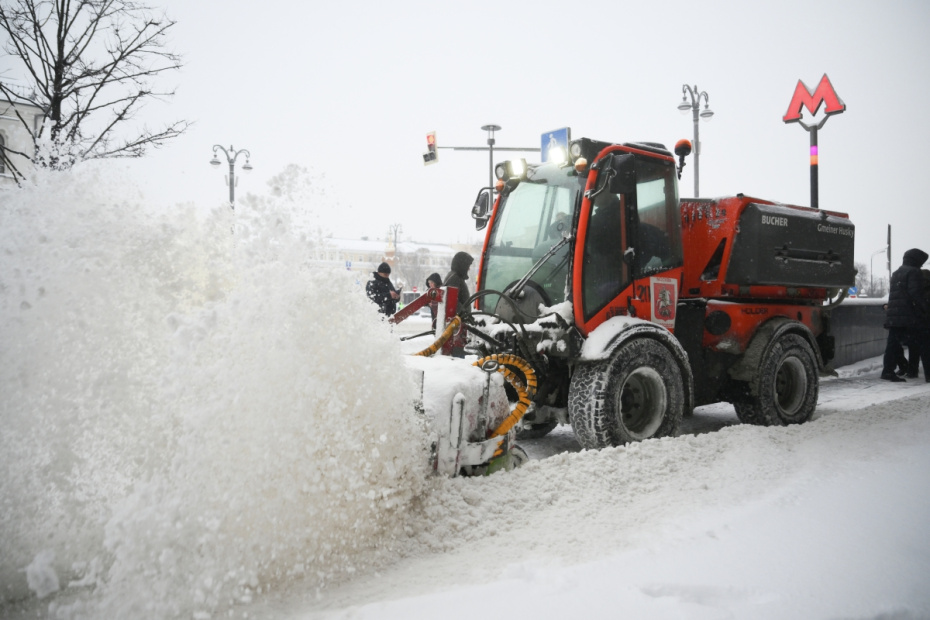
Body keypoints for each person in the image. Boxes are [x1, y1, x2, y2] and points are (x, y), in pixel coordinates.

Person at [881, 248, 929, 382]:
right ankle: (913, 370)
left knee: (893, 345)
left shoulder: (897, 272)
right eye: (921, 262)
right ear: (916, 261)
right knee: (921, 343)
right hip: (907, 316)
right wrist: (925, 309)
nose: (921, 265)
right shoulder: (914, 272)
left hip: (894, 314)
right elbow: (916, 294)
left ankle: (889, 371)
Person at [443, 252, 473, 358]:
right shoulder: (455, 278)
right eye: (468, 266)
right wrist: (465, 314)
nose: (469, 269)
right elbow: (453, 300)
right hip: (456, 327)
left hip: (458, 325)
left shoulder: (453, 277)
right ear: (462, 265)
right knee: (457, 354)